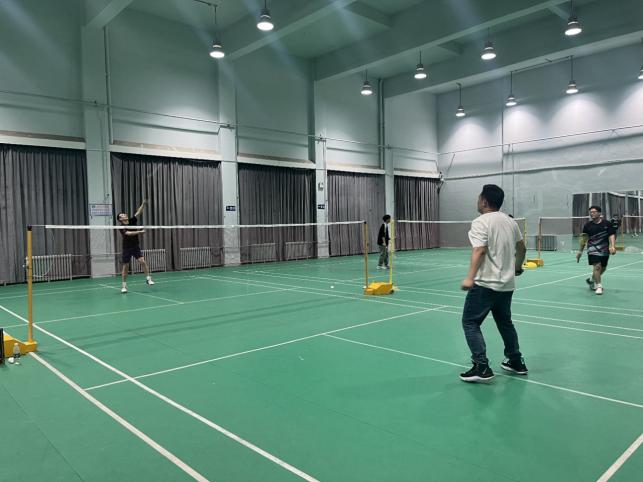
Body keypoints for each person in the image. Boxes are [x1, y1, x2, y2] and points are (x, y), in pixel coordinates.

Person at [460, 185, 527, 383]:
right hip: (506, 285)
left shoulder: (480, 222)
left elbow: (479, 250)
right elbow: (522, 248)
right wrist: (517, 267)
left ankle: (481, 366)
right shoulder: (510, 221)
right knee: (505, 323)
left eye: (478, 197)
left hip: (485, 285)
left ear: (484, 201)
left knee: (470, 322)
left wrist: (470, 277)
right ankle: (515, 361)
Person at [576, 205, 616, 295]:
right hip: (592, 249)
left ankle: (591, 280)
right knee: (597, 266)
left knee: (603, 268)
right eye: (590, 212)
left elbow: (611, 235)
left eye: (594, 212)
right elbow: (584, 239)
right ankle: (599, 286)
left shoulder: (607, 224)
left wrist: (613, 246)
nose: (592, 214)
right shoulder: (587, 226)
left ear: (599, 213)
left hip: (604, 249)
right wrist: (580, 251)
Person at [117, 200, 154, 293]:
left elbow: (138, 212)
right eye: (122, 215)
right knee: (126, 266)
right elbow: (128, 233)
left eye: (124, 214)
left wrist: (143, 204)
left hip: (135, 246)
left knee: (142, 261)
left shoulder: (132, 220)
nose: (124, 215)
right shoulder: (121, 227)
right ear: (120, 219)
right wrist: (139, 232)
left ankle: (148, 279)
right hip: (126, 248)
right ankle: (124, 286)